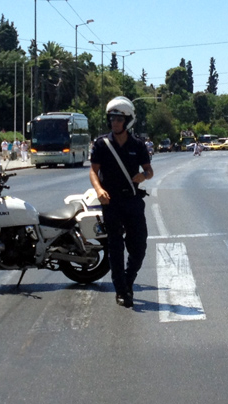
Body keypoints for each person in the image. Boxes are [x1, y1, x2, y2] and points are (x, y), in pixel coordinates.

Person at [89, 96, 153, 308]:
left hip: (133, 200)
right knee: (115, 248)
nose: (115, 122)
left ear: (128, 121)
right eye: (112, 118)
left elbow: (149, 171)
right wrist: (99, 189)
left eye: (119, 118)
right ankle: (121, 291)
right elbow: (93, 171)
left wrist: (143, 176)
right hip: (112, 202)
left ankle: (128, 280)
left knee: (139, 246)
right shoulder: (101, 144)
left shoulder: (138, 145)